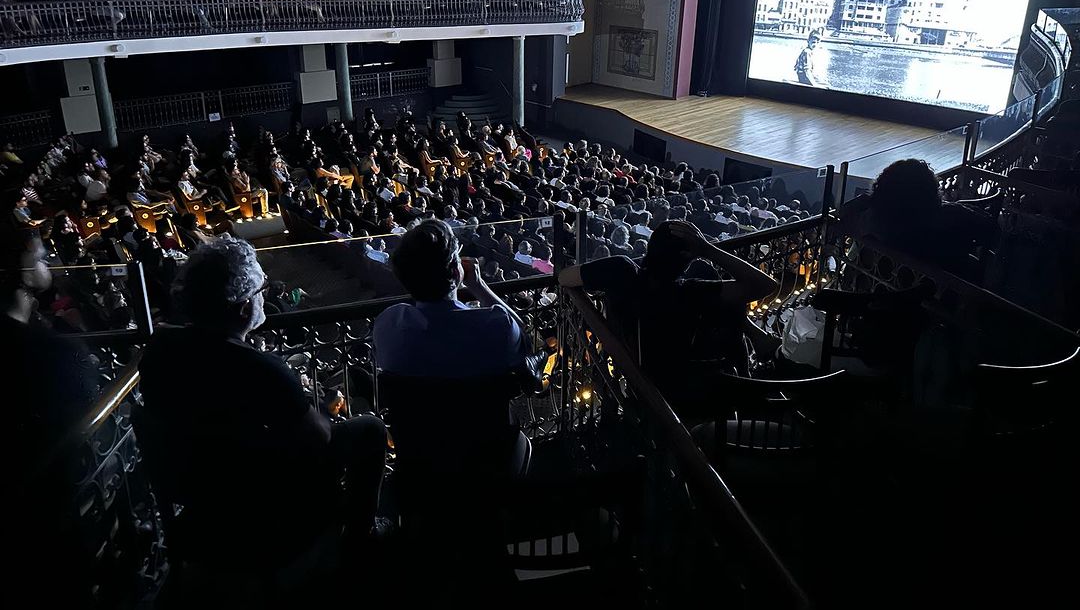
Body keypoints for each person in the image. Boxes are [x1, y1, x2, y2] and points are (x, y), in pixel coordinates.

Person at [139, 237, 387, 563]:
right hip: (256, 491)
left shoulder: (159, 351)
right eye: (260, 293)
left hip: (198, 486)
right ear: (244, 307)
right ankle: (359, 533)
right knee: (370, 428)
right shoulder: (258, 368)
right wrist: (325, 410)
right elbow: (320, 438)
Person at [558, 220, 777, 404]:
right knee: (727, 298)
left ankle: (755, 340)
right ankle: (751, 360)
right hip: (682, 389)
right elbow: (765, 286)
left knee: (719, 291)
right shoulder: (688, 292)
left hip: (638, 374)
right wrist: (708, 250)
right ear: (687, 259)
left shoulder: (620, 270)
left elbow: (564, 277)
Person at [4, 227, 100, 604]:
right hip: (43, 522)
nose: (48, 264)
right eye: (42, 258)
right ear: (21, 271)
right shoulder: (47, 354)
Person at [374, 219, 534, 379]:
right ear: (456, 273)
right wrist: (478, 285)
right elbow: (524, 343)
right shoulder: (496, 324)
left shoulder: (388, 323)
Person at [839, 158, 997, 276]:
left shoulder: (874, 220)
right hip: (937, 295)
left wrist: (869, 199)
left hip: (876, 289)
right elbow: (991, 228)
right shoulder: (947, 215)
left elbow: (843, 215)